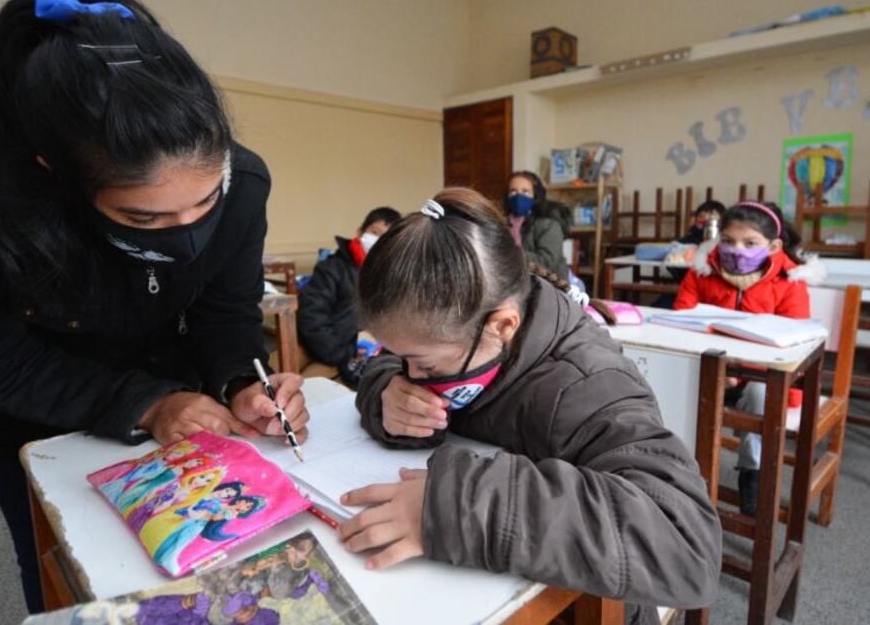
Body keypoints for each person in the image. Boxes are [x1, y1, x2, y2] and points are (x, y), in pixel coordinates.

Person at [0, 0, 309, 613]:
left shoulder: (244, 183)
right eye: (143, 219)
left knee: (201, 552)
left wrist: (236, 380)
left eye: (206, 202)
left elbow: (225, 312)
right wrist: (145, 401)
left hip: (164, 380)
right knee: (68, 561)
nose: (189, 234)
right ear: (53, 176)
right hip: (19, 411)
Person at [337, 188, 721, 623]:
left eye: (421, 364)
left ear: (501, 325)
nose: (412, 375)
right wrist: (384, 390)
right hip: (476, 588)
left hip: (579, 606)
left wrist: (457, 506)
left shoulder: (588, 383)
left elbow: (686, 547)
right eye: (403, 359)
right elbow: (391, 362)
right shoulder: (460, 327)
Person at [673, 202, 824, 516]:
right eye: (728, 241)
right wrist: (718, 368)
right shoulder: (702, 271)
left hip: (764, 377)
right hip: (709, 368)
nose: (736, 249)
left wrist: (738, 372)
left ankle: (752, 472)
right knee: (668, 380)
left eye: (750, 243)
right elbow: (681, 323)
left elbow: (789, 346)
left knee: (760, 396)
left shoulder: (789, 280)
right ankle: (679, 471)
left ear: (774, 246)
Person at [297, 207, 401, 386]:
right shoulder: (333, 267)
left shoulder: (392, 274)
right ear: (360, 231)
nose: (376, 241)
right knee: (300, 391)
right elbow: (312, 315)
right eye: (374, 233)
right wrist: (340, 355)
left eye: (385, 238)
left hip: (372, 357)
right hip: (331, 352)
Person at [506, 171, 572, 280]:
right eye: (513, 191)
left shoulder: (549, 224)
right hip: (515, 283)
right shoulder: (502, 221)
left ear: (536, 196)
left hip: (549, 285)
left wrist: (510, 254)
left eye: (525, 191)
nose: (518, 196)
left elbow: (547, 262)